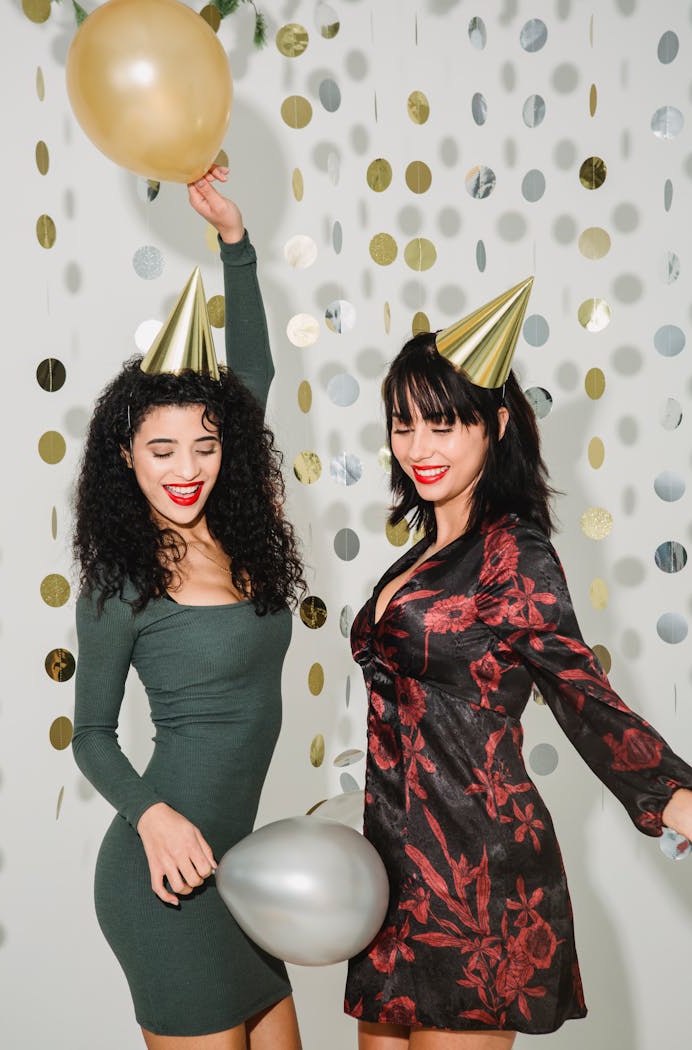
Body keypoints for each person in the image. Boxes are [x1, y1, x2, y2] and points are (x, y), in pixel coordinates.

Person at [343, 279, 692, 1050]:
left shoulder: (514, 553)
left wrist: (675, 797)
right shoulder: (420, 554)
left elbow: (581, 692)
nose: (419, 447)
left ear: (496, 425)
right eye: (404, 425)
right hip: (395, 875)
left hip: (477, 877)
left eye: (444, 424)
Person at [72, 169, 304, 1050]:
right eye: (160, 447)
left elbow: (254, 371)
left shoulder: (245, 540)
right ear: (124, 458)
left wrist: (236, 246)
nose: (186, 466)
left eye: (203, 446)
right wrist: (153, 816)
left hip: (238, 874)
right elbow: (90, 734)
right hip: (161, 877)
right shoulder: (120, 582)